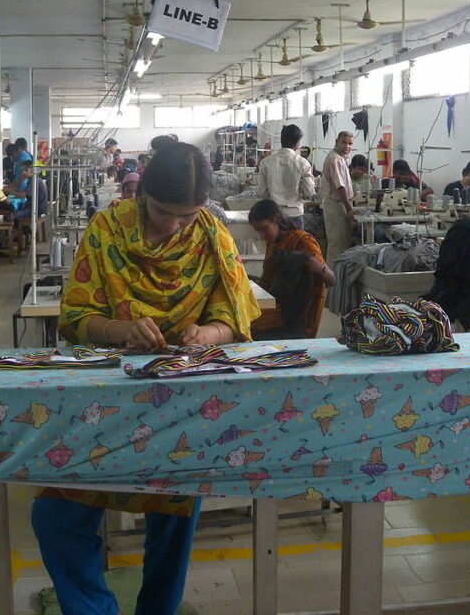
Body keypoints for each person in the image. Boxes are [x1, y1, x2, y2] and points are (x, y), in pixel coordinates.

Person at [36, 143, 259, 615]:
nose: (174, 225)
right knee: (57, 513)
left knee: (177, 511)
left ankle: (157, 609)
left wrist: (206, 333)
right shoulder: (107, 229)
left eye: (188, 215)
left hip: (178, 399)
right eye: (162, 212)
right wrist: (119, 329)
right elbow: (75, 316)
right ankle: (92, 609)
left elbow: (234, 318)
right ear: (143, 195)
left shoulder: (211, 236)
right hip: (103, 398)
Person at [249, 199, 334, 339]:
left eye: (264, 228)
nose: (262, 235)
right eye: (258, 231)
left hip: (297, 319)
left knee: (241, 327)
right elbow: (268, 280)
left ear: (276, 219)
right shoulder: (275, 242)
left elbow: (332, 280)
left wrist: (319, 268)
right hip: (279, 306)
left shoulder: (303, 242)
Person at [257, 124, 316, 230]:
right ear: (297, 143)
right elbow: (309, 191)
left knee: (276, 245)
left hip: (274, 215)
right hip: (295, 214)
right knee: (296, 245)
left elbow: (262, 192)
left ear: (281, 140)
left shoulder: (266, 162)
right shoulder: (303, 163)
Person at [320, 131, 355, 260]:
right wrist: (349, 208)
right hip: (336, 206)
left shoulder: (341, 158)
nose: (347, 146)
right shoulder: (335, 159)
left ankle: (338, 275)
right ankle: (333, 278)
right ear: (336, 142)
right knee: (337, 245)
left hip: (340, 204)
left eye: (350, 144)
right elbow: (340, 187)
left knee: (342, 243)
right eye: (344, 142)